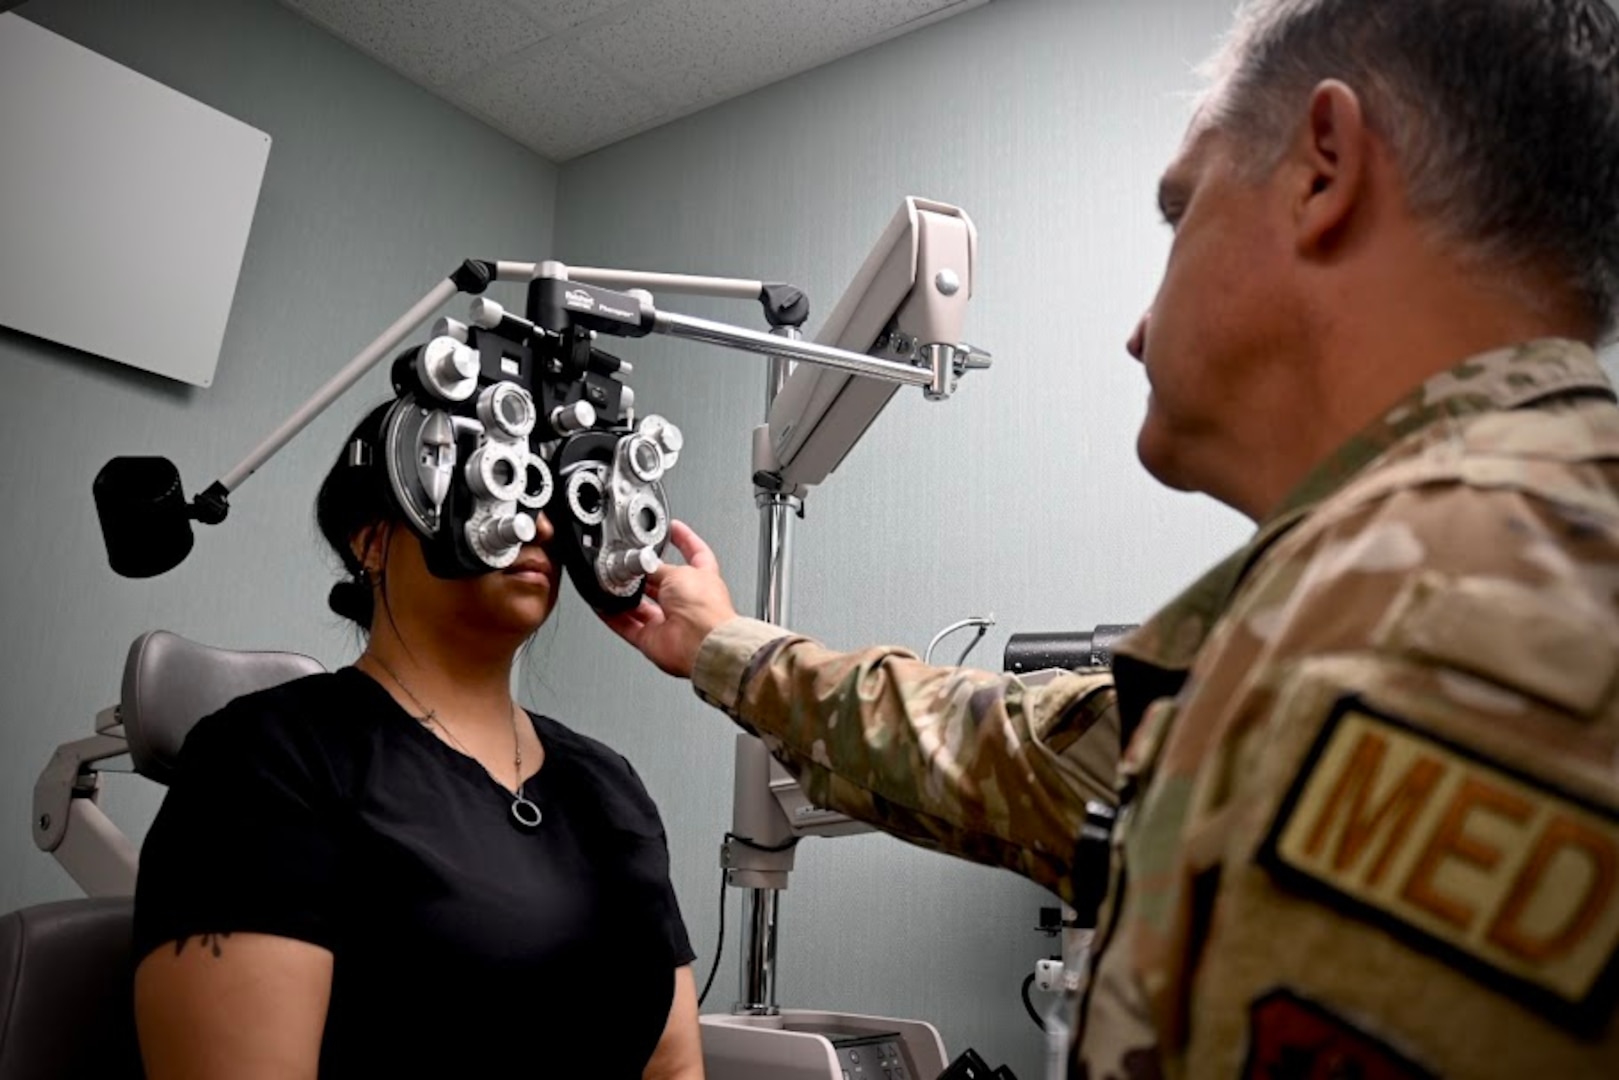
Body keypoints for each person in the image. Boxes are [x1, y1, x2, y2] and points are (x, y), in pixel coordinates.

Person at [603, 1, 1619, 1076]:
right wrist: (721, 642)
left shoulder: (1455, 620)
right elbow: (1000, 750)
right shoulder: (1310, 632)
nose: (1135, 329)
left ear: (1323, 170)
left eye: (1177, 215)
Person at [131, 402, 703, 1079]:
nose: (540, 525)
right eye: (494, 487)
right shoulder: (267, 759)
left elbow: (672, 1068)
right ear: (371, 541)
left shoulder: (608, 785)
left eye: (546, 496)